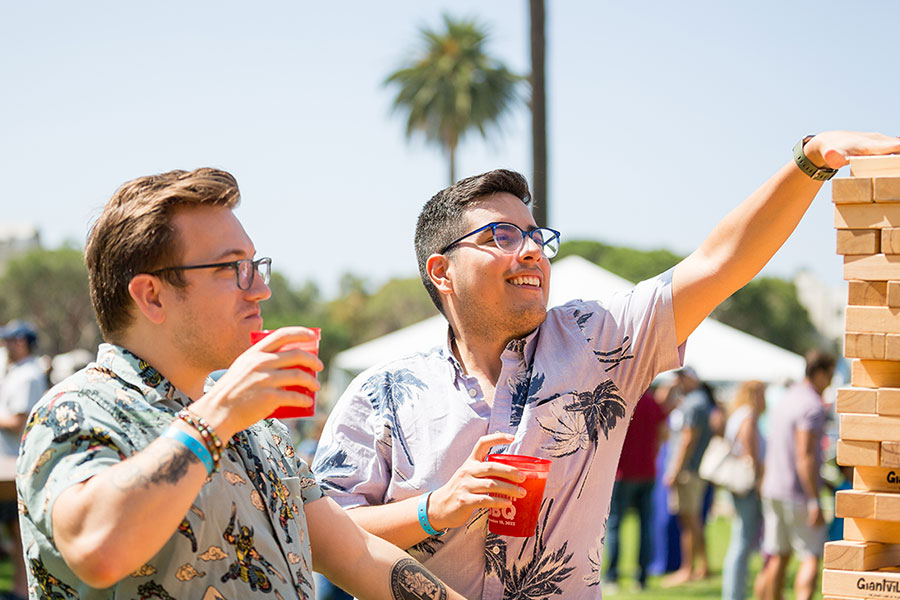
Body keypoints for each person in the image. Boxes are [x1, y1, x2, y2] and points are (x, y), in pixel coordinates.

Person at [313, 133, 900, 599]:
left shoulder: (601, 342)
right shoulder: (378, 395)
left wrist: (810, 160)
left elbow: (721, 262)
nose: (532, 251)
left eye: (536, 235)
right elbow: (324, 533)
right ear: (442, 272)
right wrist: (436, 508)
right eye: (500, 235)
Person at [16, 168, 466, 600]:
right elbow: (97, 550)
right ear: (152, 296)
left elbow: (356, 554)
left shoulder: (257, 427)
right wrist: (222, 413)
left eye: (255, 265)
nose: (259, 290)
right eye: (233, 269)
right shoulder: (76, 409)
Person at [754, 350, 836, 600]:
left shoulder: (786, 398)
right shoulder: (811, 405)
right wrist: (814, 500)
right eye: (830, 375)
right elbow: (805, 455)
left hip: (773, 488)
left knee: (777, 556)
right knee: (810, 556)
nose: (831, 381)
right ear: (819, 373)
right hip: (797, 492)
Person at [0, 321, 48, 600]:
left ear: (22, 342)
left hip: (14, 464)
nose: (6, 345)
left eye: (10, 341)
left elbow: (19, 421)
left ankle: (20, 591)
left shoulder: (28, 374)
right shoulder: (18, 372)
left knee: (19, 531)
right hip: (7, 464)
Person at [603, 387, 668, 592]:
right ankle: (642, 578)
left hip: (622, 473)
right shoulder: (652, 402)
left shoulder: (620, 399)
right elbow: (663, 435)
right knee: (645, 526)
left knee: (614, 525)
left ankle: (612, 576)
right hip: (647, 472)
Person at [661, 366, 713, 586]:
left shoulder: (694, 403)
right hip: (691, 470)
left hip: (688, 471)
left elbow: (688, 439)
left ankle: (688, 569)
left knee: (689, 520)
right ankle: (701, 567)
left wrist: (675, 469)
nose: (679, 382)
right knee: (692, 520)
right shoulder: (697, 400)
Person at [720, 380, 766, 600]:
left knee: (740, 539)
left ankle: (734, 592)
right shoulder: (748, 416)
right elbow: (751, 450)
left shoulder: (738, 413)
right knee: (743, 541)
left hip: (737, 485)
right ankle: (734, 594)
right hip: (746, 485)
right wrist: (759, 480)